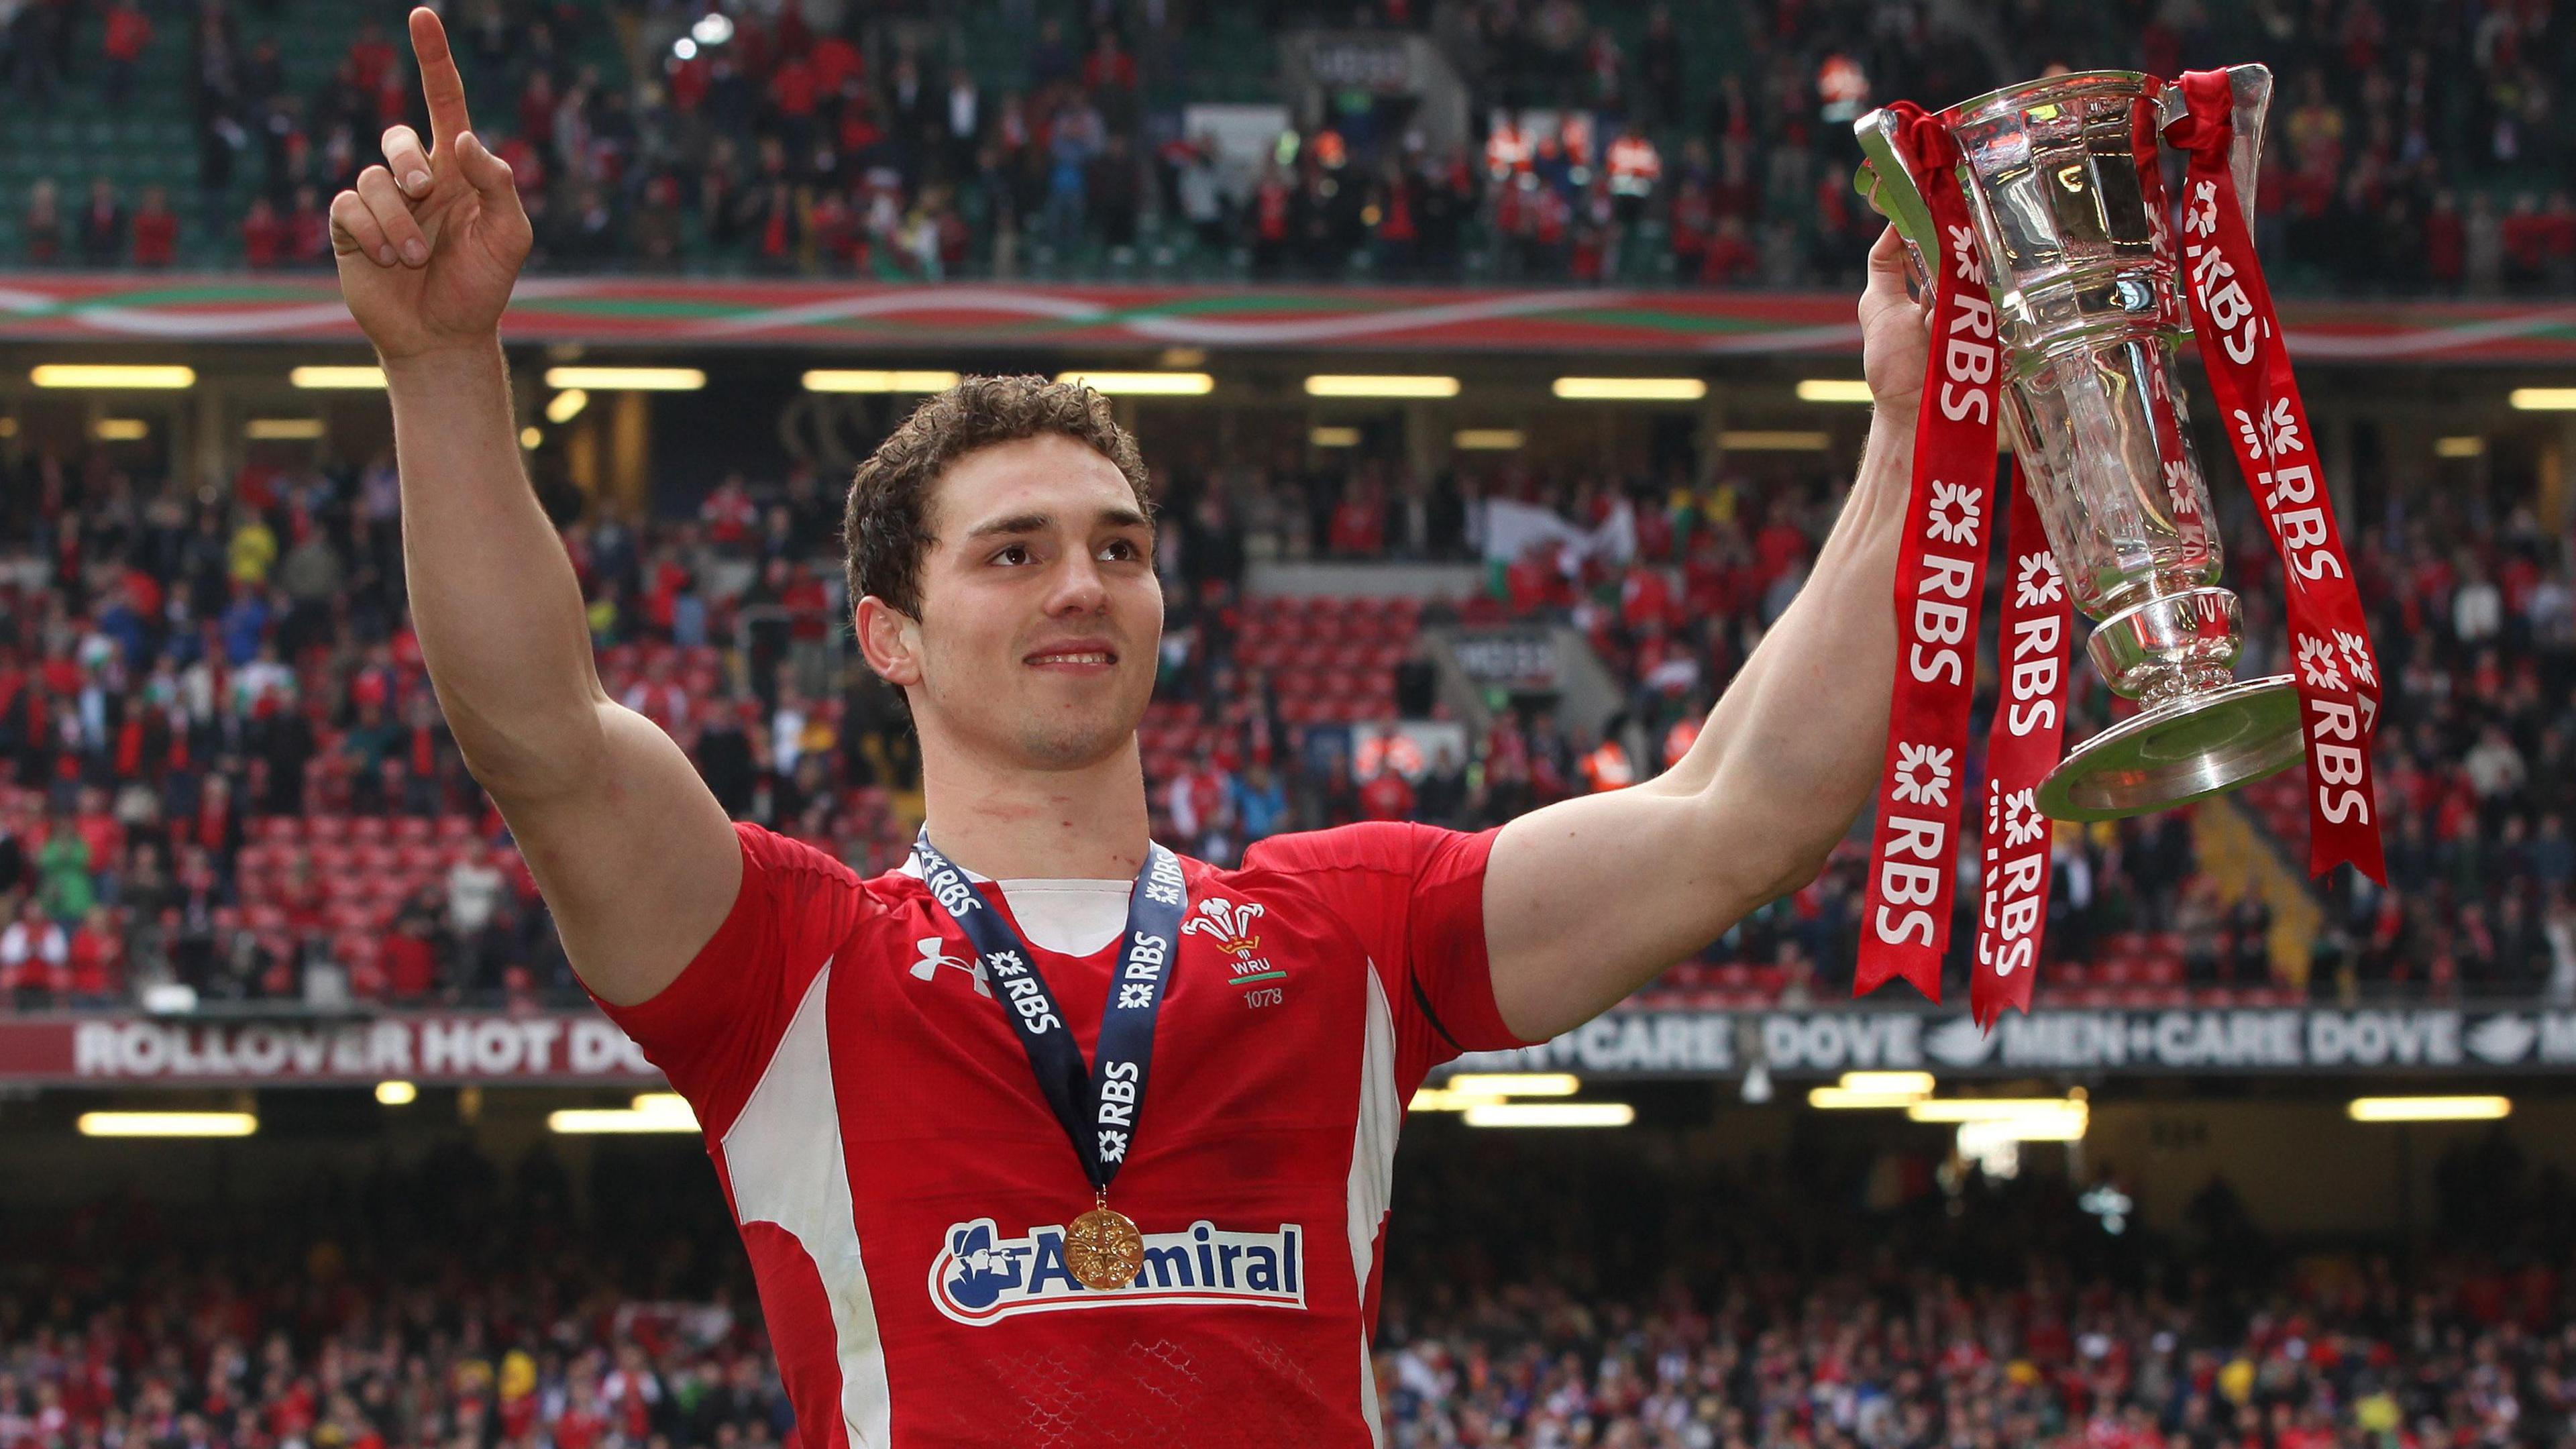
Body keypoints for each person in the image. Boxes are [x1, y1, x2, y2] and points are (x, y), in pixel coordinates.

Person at [327, 9, 1932, 1442]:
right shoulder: (789, 967)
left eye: (1120, 547)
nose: (1082, 585)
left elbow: (1741, 815)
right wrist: (445, 364)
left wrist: (1910, 429)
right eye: (1012, 554)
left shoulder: (1350, 936)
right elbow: (541, 735)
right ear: (889, 635)